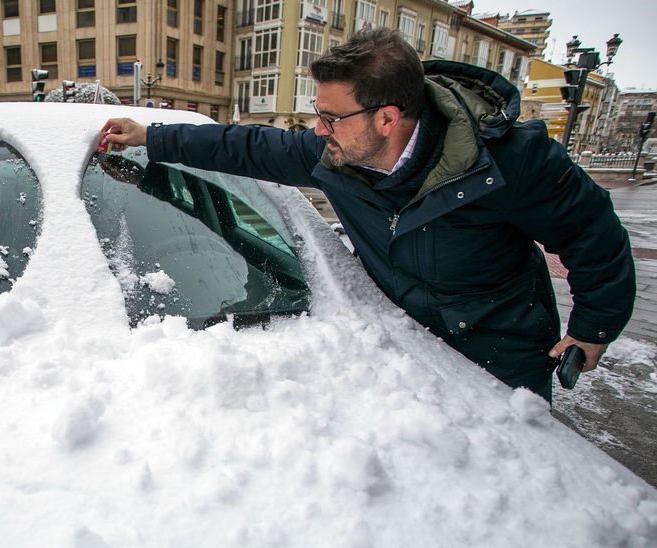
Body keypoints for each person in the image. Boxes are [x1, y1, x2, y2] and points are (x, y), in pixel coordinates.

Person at [100, 28, 635, 403]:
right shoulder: (335, 157)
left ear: (387, 118)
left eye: (330, 117)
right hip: (406, 345)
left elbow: (593, 234)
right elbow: (247, 146)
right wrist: (151, 137)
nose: (318, 130)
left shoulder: (510, 161)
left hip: (500, 350)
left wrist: (593, 327)